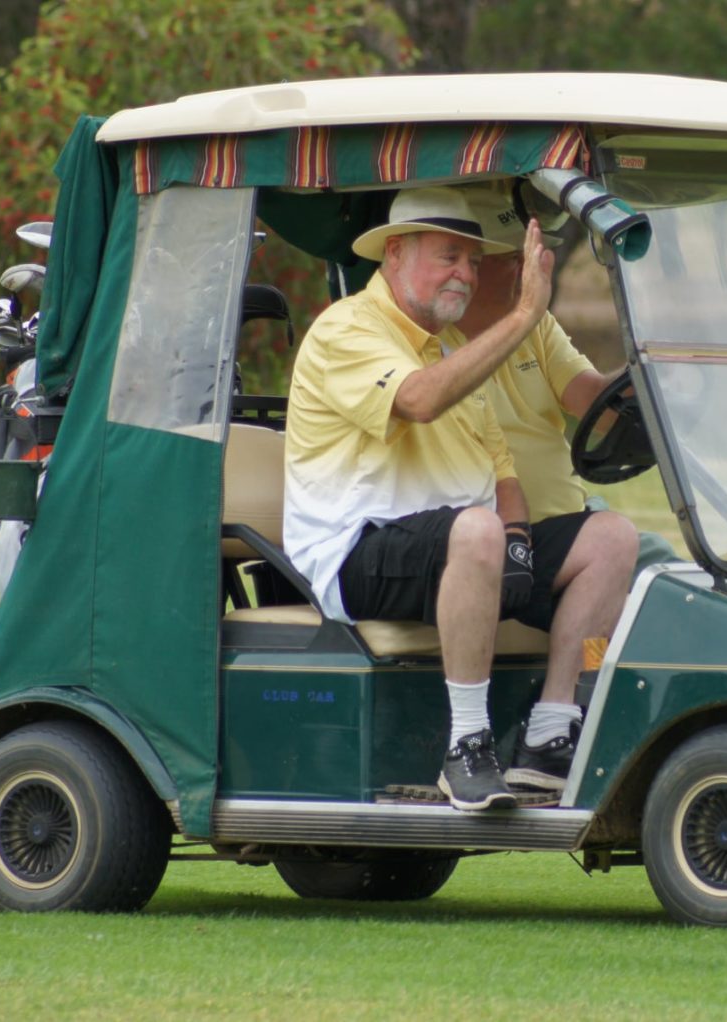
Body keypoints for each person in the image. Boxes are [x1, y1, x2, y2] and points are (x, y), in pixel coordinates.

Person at [283, 186, 637, 812]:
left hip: (462, 547)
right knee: (476, 529)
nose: (466, 275)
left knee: (611, 537)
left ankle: (551, 730)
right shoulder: (347, 328)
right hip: (358, 553)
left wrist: (519, 542)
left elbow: (502, 475)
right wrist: (524, 315)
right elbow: (418, 400)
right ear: (395, 254)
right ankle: (468, 744)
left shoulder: (450, 349)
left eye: (473, 262)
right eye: (449, 257)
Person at [458, 185, 677, 570]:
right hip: (506, 541)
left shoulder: (535, 325)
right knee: (643, 558)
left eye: (528, 257)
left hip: (570, 521)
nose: (529, 270)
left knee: (663, 564)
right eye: (514, 258)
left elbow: (596, 404)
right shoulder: (428, 343)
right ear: (471, 266)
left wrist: (649, 364)